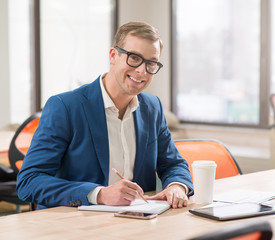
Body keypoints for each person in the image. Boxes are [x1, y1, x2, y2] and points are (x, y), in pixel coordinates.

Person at [16, 21, 193, 210]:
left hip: (137, 222)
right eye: (134, 58)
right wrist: (98, 194)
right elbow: (29, 182)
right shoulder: (65, 107)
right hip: (73, 224)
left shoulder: (152, 107)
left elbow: (173, 163)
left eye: (151, 63)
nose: (142, 70)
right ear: (113, 55)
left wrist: (177, 186)